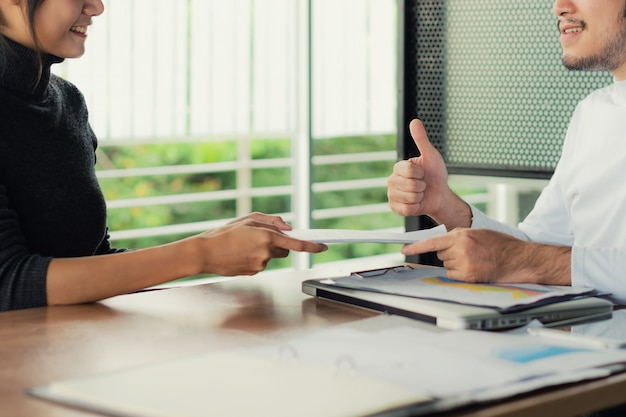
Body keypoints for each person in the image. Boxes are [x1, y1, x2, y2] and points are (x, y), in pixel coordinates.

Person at [0, 0, 327, 312]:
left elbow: (91, 262)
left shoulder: (67, 101)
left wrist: (216, 242)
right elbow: (9, 286)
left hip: (67, 355)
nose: (97, 7)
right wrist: (200, 254)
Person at [387, 0, 626, 304]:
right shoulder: (593, 112)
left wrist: (529, 259)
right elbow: (537, 244)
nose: (559, 7)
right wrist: (447, 206)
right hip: (591, 342)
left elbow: (531, 257)